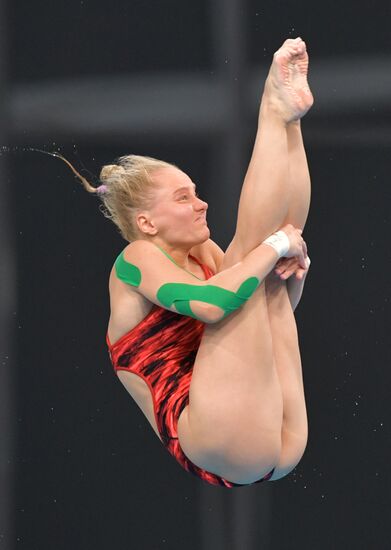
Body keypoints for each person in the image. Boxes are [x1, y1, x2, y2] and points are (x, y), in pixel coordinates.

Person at [61, 37, 313, 488]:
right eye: (183, 198)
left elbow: (257, 334)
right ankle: (274, 114)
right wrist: (272, 247)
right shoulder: (135, 259)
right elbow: (213, 307)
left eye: (196, 193)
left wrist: (289, 271)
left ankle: (289, 123)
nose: (201, 205)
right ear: (147, 222)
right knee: (253, 254)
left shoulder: (203, 254)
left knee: (264, 279)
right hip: (212, 436)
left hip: (273, 438)